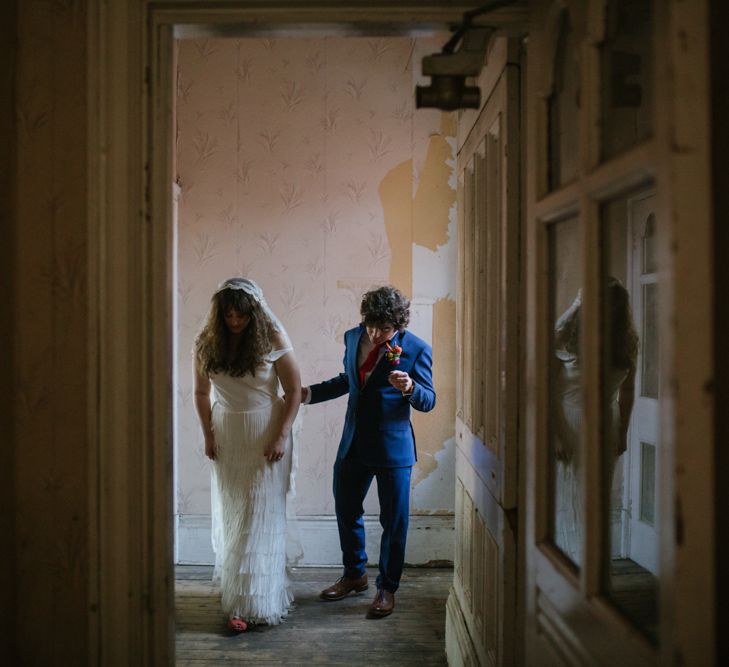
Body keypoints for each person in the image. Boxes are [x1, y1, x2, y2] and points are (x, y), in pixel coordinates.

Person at [302, 285, 436, 618]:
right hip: (353, 444)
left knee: (394, 522)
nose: (375, 334)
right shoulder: (352, 337)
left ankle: (386, 588)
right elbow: (348, 379)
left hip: (394, 450)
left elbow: (429, 400)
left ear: (399, 326)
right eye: (370, 326)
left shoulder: (417, 349)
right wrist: (306, 394)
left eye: (384, 329)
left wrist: (410, 388)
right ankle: (354, 574)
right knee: (346, 509)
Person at [193, 277, 301, 633]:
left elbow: (295, 391)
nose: (235, 322)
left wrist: (281, 435)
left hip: (265, 432)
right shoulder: (206, 343)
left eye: (241, 315)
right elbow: (200, 392)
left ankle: (252, 601)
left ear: (253, 313)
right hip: (228, 433)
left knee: (258, 515)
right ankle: (238, 598)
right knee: (236, 511)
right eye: (228, 316)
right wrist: (208, 433)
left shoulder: (272, 338)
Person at [552, 278, 638, 565]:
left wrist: (623, 431)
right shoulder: (566, 337)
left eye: (612, 306)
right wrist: (556, 435)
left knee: (597, 498)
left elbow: (627, 390)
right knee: (569, 498)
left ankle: (591, 566)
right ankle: (569, 567)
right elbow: (543, 387)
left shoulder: (626, 341)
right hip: (569, 421)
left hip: (607, 423)